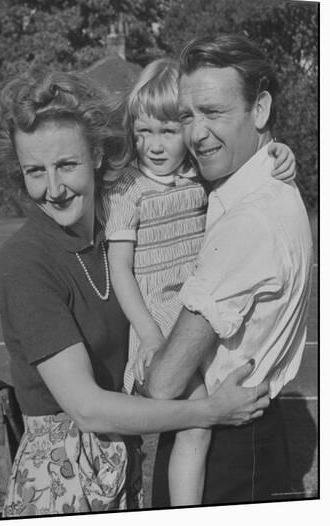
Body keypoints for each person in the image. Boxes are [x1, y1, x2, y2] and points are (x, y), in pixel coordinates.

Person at [0, 66, 270, 517]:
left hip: (121, 469)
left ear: (97, 154)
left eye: (67, 165)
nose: (53, 189)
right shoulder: (26, 264)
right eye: (35, 171)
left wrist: (276, 154)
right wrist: (209, 412)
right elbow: (89, 409)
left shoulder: (115, 236)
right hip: (61, 482)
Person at [101, 58, 296, 506]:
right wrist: (150, 335)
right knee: (195, 425)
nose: (153, 144)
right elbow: (121, 271)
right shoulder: (126, 191)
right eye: (142, 131)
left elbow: (249, 175)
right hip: (158, 320)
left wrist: (279, 152)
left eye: (167, 131)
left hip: (199, 310)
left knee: (197, 422)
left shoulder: (198, 176)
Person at [144, 34, 314, 506]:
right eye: (186, 116)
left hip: (226, 447)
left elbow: (164, 384)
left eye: (213, 112)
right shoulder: (261, 188)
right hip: (248, 434)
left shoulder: (251, 219)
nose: (195, 133)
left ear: (259, 110)